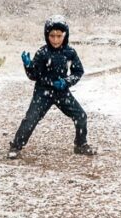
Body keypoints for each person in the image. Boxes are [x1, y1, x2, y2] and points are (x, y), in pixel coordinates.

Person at [8, 15, 97, 159]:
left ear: (65, 35)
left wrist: (66, 82)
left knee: (81, 116)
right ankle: (16, 146)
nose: (55, 40)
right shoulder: (42, 53)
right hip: (43, 92)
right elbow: (33, 76)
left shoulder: (70, 52)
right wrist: (28, 66)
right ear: (47, 35)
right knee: (30, 119)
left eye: (59, 36)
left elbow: (78, 72)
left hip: (62, 92)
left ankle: (80, 145)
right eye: (52, 36)